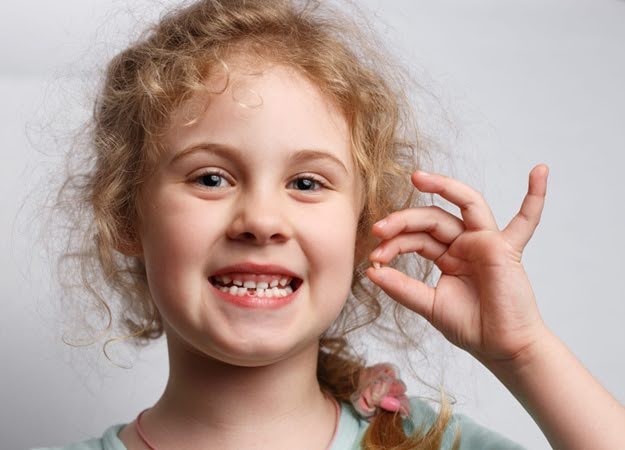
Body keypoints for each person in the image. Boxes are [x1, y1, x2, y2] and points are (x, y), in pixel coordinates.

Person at [33, 1, 625, 449]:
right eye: (211, 178)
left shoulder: (422, 443)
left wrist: (523, 351)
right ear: (123, 215)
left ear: (366, 230)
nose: (262, 220)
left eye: (307, 183)